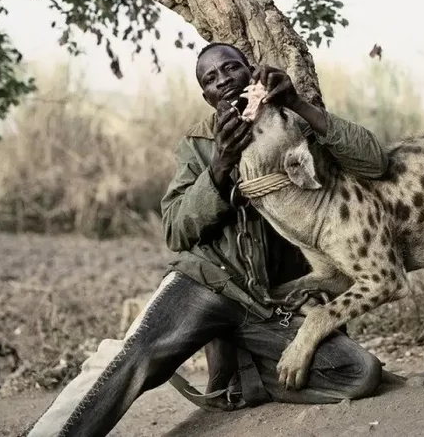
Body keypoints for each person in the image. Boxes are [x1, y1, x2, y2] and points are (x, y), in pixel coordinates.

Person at [26, 42, 391, 437]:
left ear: (251, 73)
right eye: (211, 79)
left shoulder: (294, 123)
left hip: (266, 301)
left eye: (231, 69)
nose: (224, 81)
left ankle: (246, 380)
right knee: (134, 357)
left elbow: (376, 163)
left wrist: (300, 105)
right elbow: (175, 230)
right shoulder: (199, 143)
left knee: (359, 372)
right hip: (205, 281)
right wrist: (218, 166)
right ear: (207, 96)